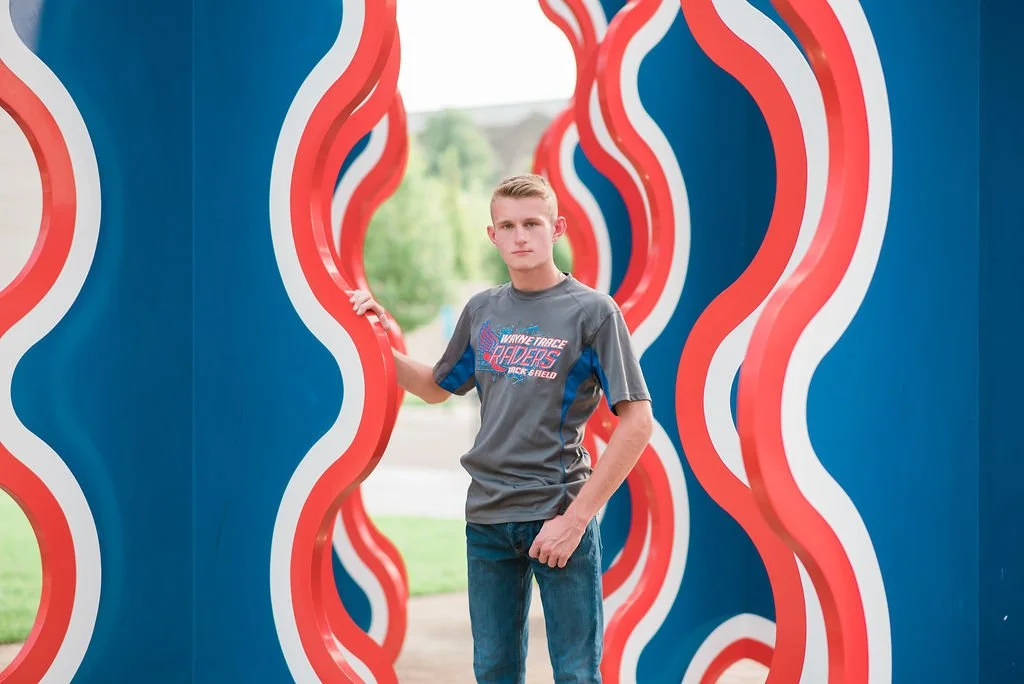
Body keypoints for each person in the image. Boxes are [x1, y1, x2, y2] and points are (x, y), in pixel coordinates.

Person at [347, 174, 653, 684]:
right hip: (487, 518)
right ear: (492, 235)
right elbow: (436, 387)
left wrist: (575, 521)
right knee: (493, 671)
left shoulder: (593, 312)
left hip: (558, 516)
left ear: (556, 228)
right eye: (507, 226)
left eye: (532, 223)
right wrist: (373, 336)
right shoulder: (482, 311)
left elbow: (638, 423)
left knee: (577, 674)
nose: (520, 236)